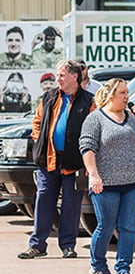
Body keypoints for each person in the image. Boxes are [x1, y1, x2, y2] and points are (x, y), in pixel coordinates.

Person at [17, 60, 95, 259]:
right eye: (57, 75)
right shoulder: (49, 97)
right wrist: (39, 139)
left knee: (71, 204)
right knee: (43, 200)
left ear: (74, 76)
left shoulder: (89, 101)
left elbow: (95, 130)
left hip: (76, 162)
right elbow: (37, 121)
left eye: (61, 75)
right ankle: (37, 246)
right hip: (48, 160)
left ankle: (68, 246)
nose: (57, 79)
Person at [79, 78, 135, 274]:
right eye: (122, 93)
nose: (126, 97)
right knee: (106, 225)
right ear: (111, 95)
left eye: (127, 93)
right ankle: (98, 266)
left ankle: (123, 268)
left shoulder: (131, 117)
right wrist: (93, 174)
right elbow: (87, 148)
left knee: (128, 227)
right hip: (106, 182)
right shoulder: (95, 118)